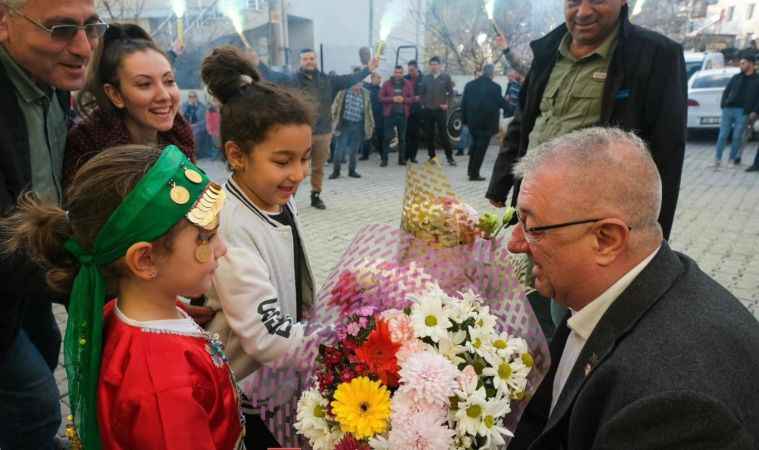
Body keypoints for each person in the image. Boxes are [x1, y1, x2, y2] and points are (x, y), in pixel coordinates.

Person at [507, 127, 759, 450]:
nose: (515, 243)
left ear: (606, 240)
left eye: (532, 227)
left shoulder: (671, 408)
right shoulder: (627, 286)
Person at [1, 144, 242, 449]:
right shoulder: (164, 388)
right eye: (206, 237)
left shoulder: (123, 310)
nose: (222, 248)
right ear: (145, 260)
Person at [486, 0, 687, 338]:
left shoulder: (654, 55)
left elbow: (667, 152)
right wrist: (500, 184)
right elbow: (526, 120)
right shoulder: (549, 49)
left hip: (586, 222)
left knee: (581, 313)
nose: (582, 12)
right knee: (536, 298)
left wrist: (652, 241)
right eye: (573, 1)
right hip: (536, 210)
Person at [200, 46, 318, 449]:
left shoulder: (273, 196)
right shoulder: (230, 225)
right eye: (283, 161)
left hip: (285, 370)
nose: (298, 174)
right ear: (237, 155)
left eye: (303, 159)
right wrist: (334, 339)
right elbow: (265, 336)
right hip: (251, 388)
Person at [0, 0, 104, 447]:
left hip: (29, 281)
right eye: (61, 28)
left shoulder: (52, 83)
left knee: (42, 353)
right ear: (4, 24)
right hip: (14, 276)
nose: (82, 47)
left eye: (91, 27)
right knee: (36, 404)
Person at [65, 23, 194, 181]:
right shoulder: (85, 147)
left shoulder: (181, 138)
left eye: (169, 81)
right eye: (144, 84)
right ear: (115, 94)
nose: (164, 96)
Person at [286, 48, 378, 209]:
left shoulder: (327, 80)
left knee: (318, 167)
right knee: (297, 168)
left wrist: (368, 69)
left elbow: (350, 79)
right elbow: (270, 77)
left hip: (323, 132)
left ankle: (316, 196)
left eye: (311, 58)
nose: (309, 61)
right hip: (300, 133)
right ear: (300, 61)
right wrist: (256, 64)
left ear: (316, 60)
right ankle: (289, 199)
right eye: (305, 59)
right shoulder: (292, 80)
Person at [461, 64, 509, 181]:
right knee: (480, 149)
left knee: (475, 146)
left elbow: (464, 104)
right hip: (487, 124)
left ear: (483, 72)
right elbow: (501, 103)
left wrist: (465, 121)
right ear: (492, 74)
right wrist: (512, 108)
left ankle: (470, 170)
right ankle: (474, 174)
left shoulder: (470, 85)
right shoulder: (495, 87)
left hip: (473, 123)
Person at [712, 51, 759, 168]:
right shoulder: (736, 77)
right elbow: (727, 91)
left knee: (737, 136)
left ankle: (732, 160)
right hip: (728, 109)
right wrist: (723, 104)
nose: (741, 65)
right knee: (722, 135)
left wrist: (755, 111)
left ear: (751, 64)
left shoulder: (757, 80)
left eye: (743, 63)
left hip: (743, 112)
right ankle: (717, 160)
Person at [330, 79, 374, 177]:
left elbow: (368, 110)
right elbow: (335, 107)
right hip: (344, 124)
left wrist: (370, 124)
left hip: (358, 125)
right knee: (339, 149)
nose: (358, 84)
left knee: (354, 150)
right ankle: (336, 172)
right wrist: (333, 122)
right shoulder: (343, 92)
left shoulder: (366, 94)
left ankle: (352, 171)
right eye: (355, 81)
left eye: (360, 82)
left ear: (362, 83)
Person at [420, 55, 457, 166]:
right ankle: (432, 157)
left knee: (443, 134)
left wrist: (447, 104)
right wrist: (423, 104)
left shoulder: (445, 77)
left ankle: (450, 157)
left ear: (440, 66)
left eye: (436, 64)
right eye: (431, 65)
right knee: (429, 135)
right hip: (428, 111)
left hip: (440, 110)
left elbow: (451, 93)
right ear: (429, 66)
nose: (434, 67)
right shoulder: (425, 78)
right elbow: (421, 93)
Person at [379, 65, 414, 166]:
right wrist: (392, 99)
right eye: (396, 72)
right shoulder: (386, 84)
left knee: (402, 138)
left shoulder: (408, 84)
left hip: (402, 115)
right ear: (393, 73)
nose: (398, 74)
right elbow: (380, 98)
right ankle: (384, 160)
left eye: (400, 72)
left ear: (403, 73)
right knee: (387, 138)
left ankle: (401, 160)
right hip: (389, 115)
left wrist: (404, 99)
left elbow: (411, 99)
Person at [360, 71, 384, 161]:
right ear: (372, 78)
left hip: (379, 116)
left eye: (380, 78)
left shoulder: (381, 89)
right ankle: (365, 155)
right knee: (367, 135)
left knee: (380, 135)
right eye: (378, 78)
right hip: (368, 115)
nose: (379, 80)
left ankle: (382, 154)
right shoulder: (366, 89)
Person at [404, 59, 424, 164]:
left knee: (415, 134)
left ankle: (413, 156)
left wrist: (420, 97)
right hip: (406, 110)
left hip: (418, 110)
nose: (410, 72)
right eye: (409, 70)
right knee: (406, 134)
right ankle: (405, 156)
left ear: (417, 69)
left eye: (412, 70)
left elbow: (428, 93)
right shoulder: (405, 79)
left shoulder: (423, 79)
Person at [182, 90, 210, 159]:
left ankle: (194, 154)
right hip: (186, 125)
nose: (192, 98)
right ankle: (187, 153)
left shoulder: (201, 107)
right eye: (190, 96)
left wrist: (195, 125)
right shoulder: (184, 105)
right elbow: (181, 117)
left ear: (196, 97)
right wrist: (189, 107)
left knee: (195, 135)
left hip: (198, 127)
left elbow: (204, 120)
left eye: (194, 96)